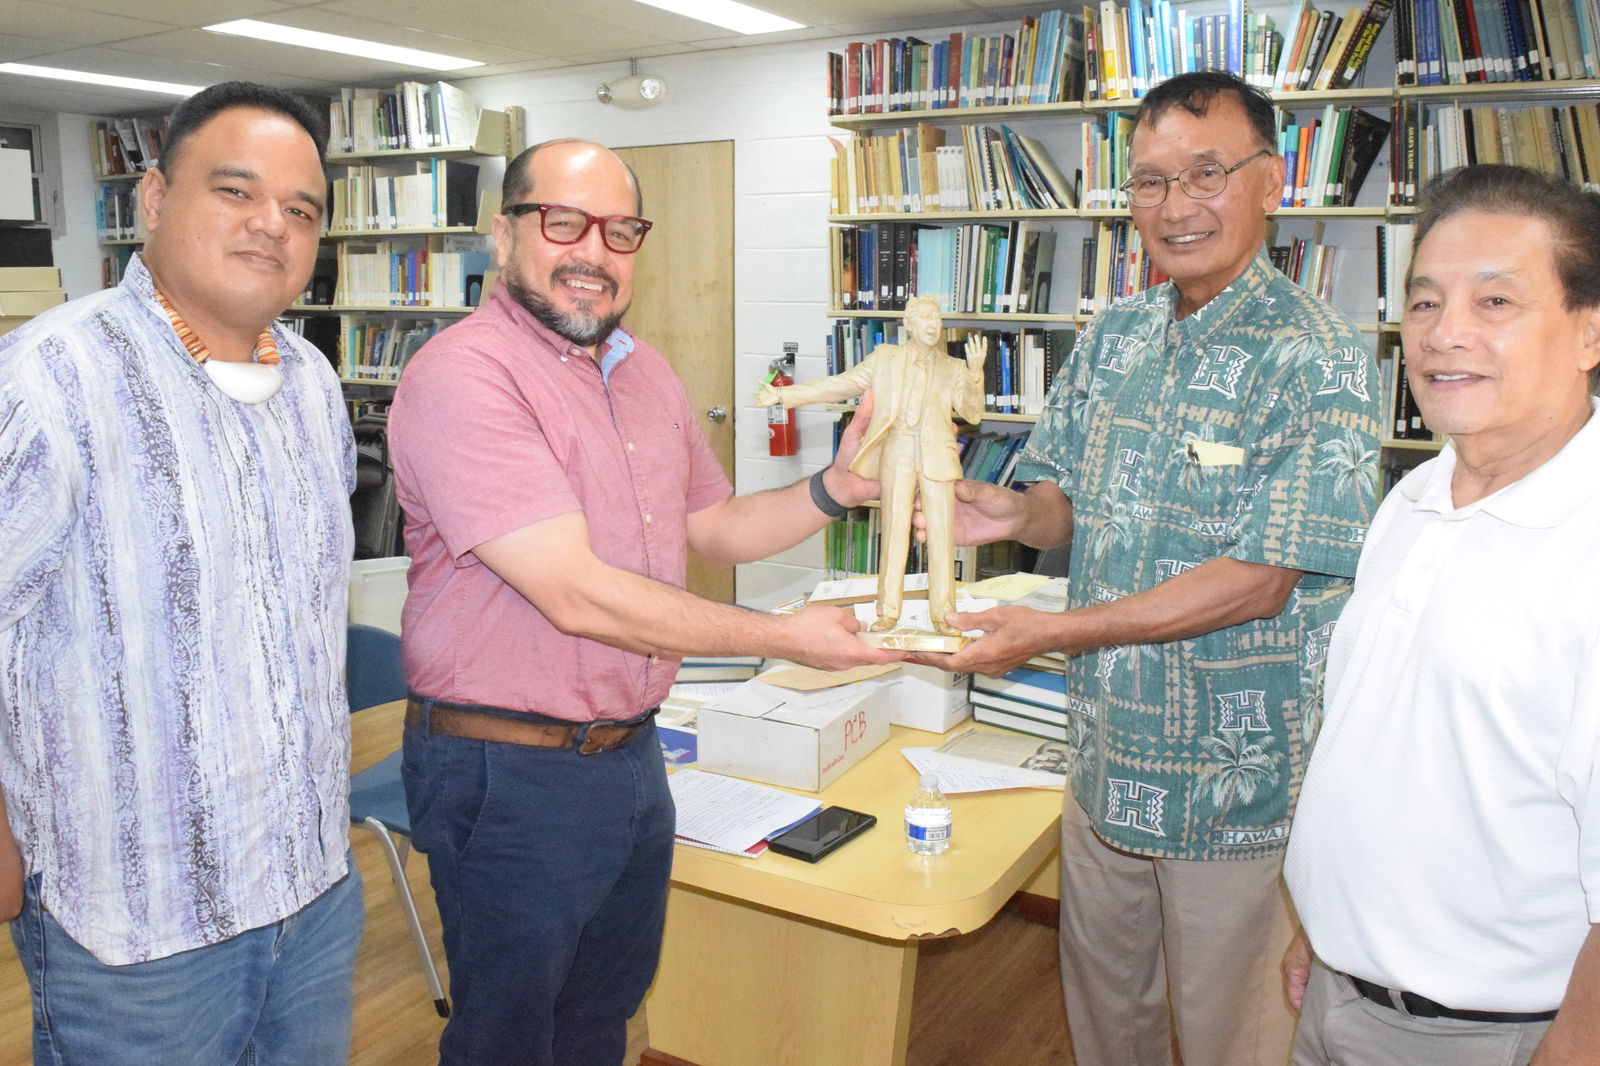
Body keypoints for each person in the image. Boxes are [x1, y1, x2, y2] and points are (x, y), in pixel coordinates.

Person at [387, 138, 901, 1066]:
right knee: (508, 1037)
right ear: (504, 237)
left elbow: (717, 529)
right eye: (563, 222)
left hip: (630, 755)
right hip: (507, 768)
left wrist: (838, 486)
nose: (594, 250)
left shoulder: (646, 372)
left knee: (602, 1015)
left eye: (620, 230)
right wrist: (786, 637)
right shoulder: (464, 377)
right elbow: (578, 595)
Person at [915, 71, 1383, 1066]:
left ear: (1272, 180)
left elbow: (1263, 575)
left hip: (1234, 785)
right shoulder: (1115, 333)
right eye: (1148, 183)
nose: (1175, 208)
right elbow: (1064, 501)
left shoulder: (1322, 357)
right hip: (1104, 758)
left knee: (1234, 1037)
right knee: (1105, 1017)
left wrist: (1050, 632)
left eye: (1205, 174)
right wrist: (1007, 509)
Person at [0, 82, 361, 1064]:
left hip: (311, 888)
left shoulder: (315, 383)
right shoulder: (51, 376)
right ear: (154, 199)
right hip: (139, 929)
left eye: (300, 210)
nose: (270, 227)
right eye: (236, 192)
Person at [1282, 165, 1600, 1065]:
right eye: (1423, 304)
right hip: (1343, 994)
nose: (1445, 334)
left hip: (1491, 1035)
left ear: (1590, 331)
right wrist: (1328, 925)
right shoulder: (1416, 495)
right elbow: (1383, 741)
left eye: (1495, 300)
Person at [756, 296, 986, 637]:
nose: (932, 324)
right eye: (924, 318)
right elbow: (840, 385)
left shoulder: (953, 368)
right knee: (894, 532)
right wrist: (784, 395)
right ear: (908, 324)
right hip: (897, 451)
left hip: (937, 454)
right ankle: (888, 613)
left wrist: (975, 374)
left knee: (941, 536)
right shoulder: (885, 359)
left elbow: (972, 414)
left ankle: (944, 618)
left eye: (936, 318)